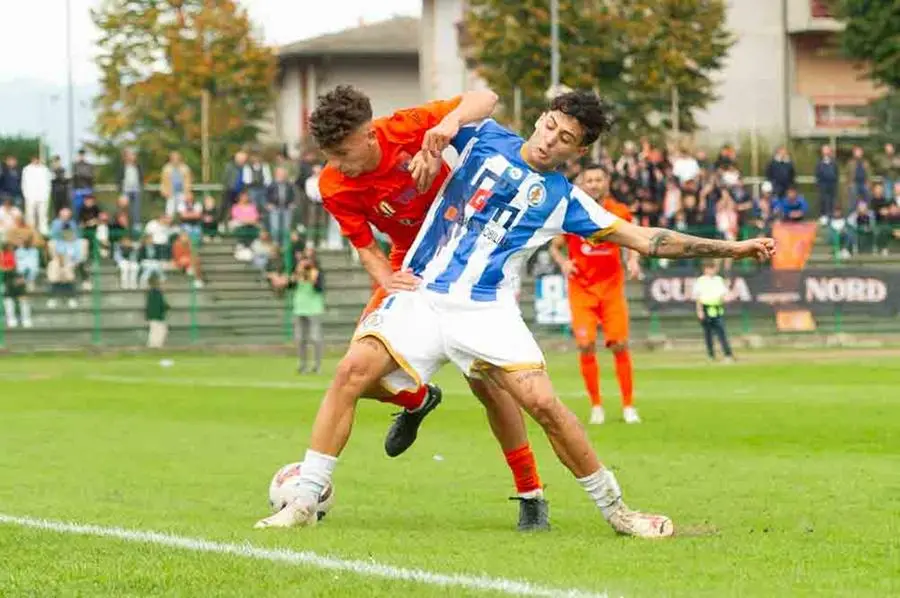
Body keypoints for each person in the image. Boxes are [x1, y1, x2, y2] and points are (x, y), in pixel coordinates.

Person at [256, 89, 775, 536]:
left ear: (579, 150)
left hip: (485, 310)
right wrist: (442, 132)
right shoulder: (481, 138)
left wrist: (733, 248)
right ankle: (304, 502)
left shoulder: (564, 200)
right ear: (539, 119)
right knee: (350, 373)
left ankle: (617, 511)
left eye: (565, 138)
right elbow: (474, 101)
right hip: (422, 293)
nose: (550, 139)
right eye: (550, 125)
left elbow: (647, 240)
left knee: (543, 404)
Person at [308, 85, 549, 531]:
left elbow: (486, 96)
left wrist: (446, 126)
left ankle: (530, 494)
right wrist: (387, 280)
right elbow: (365, 248)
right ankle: (418, 399)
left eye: (342, 151)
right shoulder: (333, 183)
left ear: (369, 134)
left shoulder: (404, 127)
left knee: (488, 384)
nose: (337, 164)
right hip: (408, 264)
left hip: (465, 255)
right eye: (328, 154)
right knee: (355, 374)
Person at [549, 165, 641, 425]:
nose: (594, 184)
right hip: (582, 289)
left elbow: (634, 240)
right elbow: (555, 246)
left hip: (612, 288)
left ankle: (628, 405)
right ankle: (596, 405)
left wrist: (633, 260)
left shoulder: (619, 211)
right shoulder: (570, 209)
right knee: (586, 344)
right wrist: (563, 262)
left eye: (598, 179)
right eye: (589, 180)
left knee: (620, 344)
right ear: (581, 183)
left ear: (606, 183)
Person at [290, 250, 325, 374]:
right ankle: (302, 364)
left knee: (315, 338)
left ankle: (317, 365)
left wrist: (312, 278)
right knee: (300, 338)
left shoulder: (317, 273)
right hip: (300, 308)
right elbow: (290, 285)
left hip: (314, 308)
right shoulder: (298, 273)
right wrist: (296, 274)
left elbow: (320, 288)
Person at [693, 261, 734, 362]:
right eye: (710, 268)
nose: (712, 271)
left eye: (713, 268)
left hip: (717, 309)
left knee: (721, 333)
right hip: (706, 309)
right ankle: (711, 355)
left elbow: (723, 295)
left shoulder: (718, 280)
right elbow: (698, 297)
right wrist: (699, 311)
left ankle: (727, 354)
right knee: (708, 334)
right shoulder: (701, 281)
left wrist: (728, 297)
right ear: (705, 269)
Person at [145, 273, 170, 349]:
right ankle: (155, 345)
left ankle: (154, 345)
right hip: (157, 315)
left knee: (155, 330)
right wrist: (166, 307)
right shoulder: (156, 293)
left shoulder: (151, 292)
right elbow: (160, 304)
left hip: (154, 315)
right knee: (158, 330)